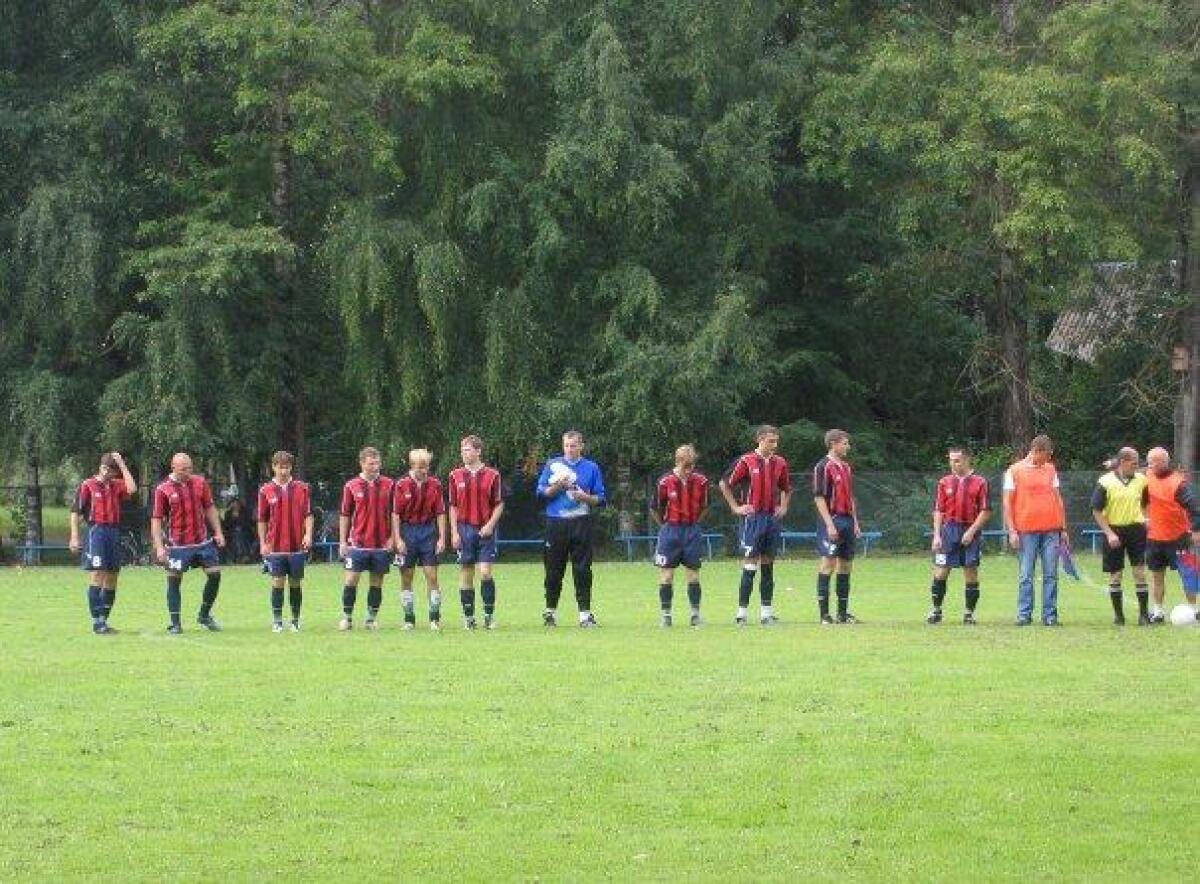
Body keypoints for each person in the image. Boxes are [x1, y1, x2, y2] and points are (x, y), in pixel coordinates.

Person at [719, 425, 791, 626]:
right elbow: (724, 483)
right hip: (753, 519)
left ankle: (766, 614)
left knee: (768, 565)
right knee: (750, 564)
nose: (774, 445)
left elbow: (786, 488)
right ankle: (741, 614)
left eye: (776, 441)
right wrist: (736, 507)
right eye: (770, 441)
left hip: (771, 519)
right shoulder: (746, 461)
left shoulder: (780, 463)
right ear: (759, 440)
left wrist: (783, 506)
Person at [537, 430, 607, 628]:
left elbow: (601, 499)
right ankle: (550, 612)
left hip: (581, 522)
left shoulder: (591, 467)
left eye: (573, 445)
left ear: (581, 446)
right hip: (556, 523)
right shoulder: (552, 465)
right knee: (553, 570)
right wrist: (556, 487)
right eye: (566, 445)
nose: (569, 449)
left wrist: (584, 497)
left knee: (583, 569)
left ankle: (585, 615)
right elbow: (541, 493)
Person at [150, 453, 226, 634]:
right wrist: (159, 547)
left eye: (190, 468)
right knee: (174, 581)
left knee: (215, 575)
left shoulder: (200, 483)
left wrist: (218, 532)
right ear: (173, 468)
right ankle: (175, 623)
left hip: (202, 542)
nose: (188, 472)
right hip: (177, 545)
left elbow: (209, 508)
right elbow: (156, 519)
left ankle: (204, 615)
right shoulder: (163, 489)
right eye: (184, 469)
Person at [1003, 435, 1069, 626]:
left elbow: (1058, 499)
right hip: (1026, 531)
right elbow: (1007, 503)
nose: (1048, 459)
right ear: (1036, 451)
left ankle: (1050, 616)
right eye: (1047, 455)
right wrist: (1012, 531)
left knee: (1051, 574)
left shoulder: (1050, 469)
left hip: (1051, 530)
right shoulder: (1014, 471)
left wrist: (1063, 527)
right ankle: (1024, 614)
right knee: (1026, 575)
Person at [69, 452, 137, 634]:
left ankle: (103, 620)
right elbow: (75, 512)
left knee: (113, 576)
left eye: (115, 473)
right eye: (111, 471)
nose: (113, 475)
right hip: (96, 532)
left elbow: (132, 489)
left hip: (113, 532)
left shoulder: (116, 485)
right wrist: (74, 536)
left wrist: (122, 465)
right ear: (103, 468)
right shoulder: (88, 485)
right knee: (98, 574)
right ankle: (96, 622)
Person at [927, 446, 991, 625]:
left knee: (970, 571)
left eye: (957, 460)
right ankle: (936, 611)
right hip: (949, 531)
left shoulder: (980, 482)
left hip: (970, 530)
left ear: (967, 460)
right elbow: (939, 510)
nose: (953, 464)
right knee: (941, 571)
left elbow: (986, 511)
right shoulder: (944, 482)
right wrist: (937, 535)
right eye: (951, 460)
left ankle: (969, 614)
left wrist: (972, 531)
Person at [448, 435, 505, 629]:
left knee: (485, 572)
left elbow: (499, 504)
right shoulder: (455, 475)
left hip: (484, 530)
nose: (464, 454)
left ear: (478, 451)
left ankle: (488, 615)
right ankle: (469, 617)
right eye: (462, 450)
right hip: (464, 529)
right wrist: (454, 532)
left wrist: (490, 525)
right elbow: (453, 506)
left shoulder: (492, 475)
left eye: (468, 450)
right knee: (466, 572)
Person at [651, 444, 710, 628]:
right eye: (686, 466)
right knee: (667, 576)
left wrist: (695, 523)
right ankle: (666, 615)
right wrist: (665, 525)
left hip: (691, 531)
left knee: (693, 576)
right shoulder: (665, 482)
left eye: (692, 466)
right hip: (670, 531)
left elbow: (705, 506)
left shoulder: (701, 481)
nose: (689, 470)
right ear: (677, 462)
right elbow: (655, 507)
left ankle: (695, 615)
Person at [1090, 447, 1150, 625]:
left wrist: (1146, 518)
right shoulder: (1105, 482)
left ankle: (1144, 616)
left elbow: (1146, 503)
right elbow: (1096, 510)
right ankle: (1119, 616)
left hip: (1136, 530)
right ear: (1123, 462)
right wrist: (1109, 533)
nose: (1136, 467)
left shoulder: (1141, 480)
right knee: (1116, 575)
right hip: (1114, 531)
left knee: (1140, 572)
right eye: (1133, 463)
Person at [338, 447, 394, 631]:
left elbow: (395, 514)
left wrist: (393, 537)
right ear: (362, 463)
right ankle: (347, 618)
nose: (375, 467)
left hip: (381, 544)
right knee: (351, 580)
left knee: (376, 582)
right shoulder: (351, 486)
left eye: (377, 463)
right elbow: (345, 515)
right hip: (358, 544)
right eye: (371, 463)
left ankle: (371, 619)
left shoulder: (389, 484)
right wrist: (343, 541)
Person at [256, 451, 313, 633]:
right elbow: (262, 519)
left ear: (291, 467)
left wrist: (308, 534)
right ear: (273, 467)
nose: (283, 471)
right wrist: (263, 543)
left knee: (295, 583)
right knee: (277, 582)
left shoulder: (302, 488)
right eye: (280, 467)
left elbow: (308, 514)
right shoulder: (265, 490)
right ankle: (277, 621)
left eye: (287, 467)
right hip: (275, 546)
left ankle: (295, 620)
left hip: (297, 545)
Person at [392, 448, 448, 630]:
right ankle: (409, 619)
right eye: (420, 467)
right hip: (407, 532)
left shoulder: (435, 484)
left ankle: (434, 618)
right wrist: (398, 539)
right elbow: (395, 514)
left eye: (427, 466)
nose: (424, 470)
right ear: (412, 466)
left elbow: (440, 512)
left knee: (432, 575)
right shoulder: (401, 485)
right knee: (406, 577)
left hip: (428, 532)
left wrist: (442, 538)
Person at [1144, 446, 1200, 623]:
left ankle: (1194, 610)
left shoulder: (1178, 483)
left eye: (1152, 462)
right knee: (1156, 576)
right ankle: (1158, 612)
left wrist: (1196, 530)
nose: (1149, 465)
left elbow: (1194, 508)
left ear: (1163, 462)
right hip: (1155, 538)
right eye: (1148, 462)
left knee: (1188, 575)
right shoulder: (1147, 477)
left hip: (1179, 538)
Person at [811, 429, 861, 624]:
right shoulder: (822, 466)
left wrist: (855, 522)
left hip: (847, 521)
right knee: (828, 564)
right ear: (833, 443)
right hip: (832, 520)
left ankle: (842, 613)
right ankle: (824, 615)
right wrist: (829, 524)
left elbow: (850, 496)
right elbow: (819, 497)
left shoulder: (846, 467)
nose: (848, 447)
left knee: (846, 565)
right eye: (845, 443)